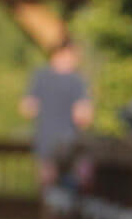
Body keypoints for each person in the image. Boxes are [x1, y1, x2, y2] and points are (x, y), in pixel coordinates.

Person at [20, 40, 94, 188]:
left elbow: (27, 108)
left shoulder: (40, 77)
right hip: (69, 143)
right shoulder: (76, 80)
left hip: (44, 140)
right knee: (70, 187)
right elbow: (83, 115)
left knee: (47, 186)